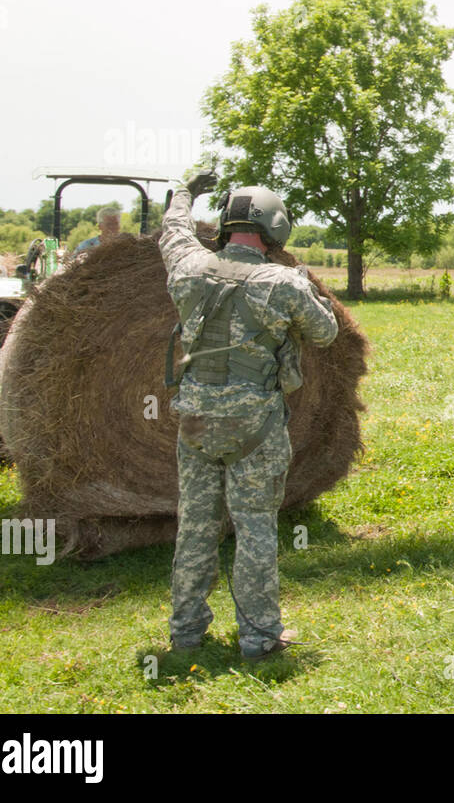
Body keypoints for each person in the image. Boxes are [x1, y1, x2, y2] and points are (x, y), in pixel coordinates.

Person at [160, 168, 338, 659]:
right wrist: (304, 287)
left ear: (224, 223)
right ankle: (259, 637)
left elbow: (174, 231)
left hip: (194, 422)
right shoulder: (282, 282)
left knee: (195, 526)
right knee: (255, 527)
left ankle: (186, 633)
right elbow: (325, 334)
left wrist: (181, 192)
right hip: (254, 427)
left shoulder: (188, 267)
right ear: (275, 228)